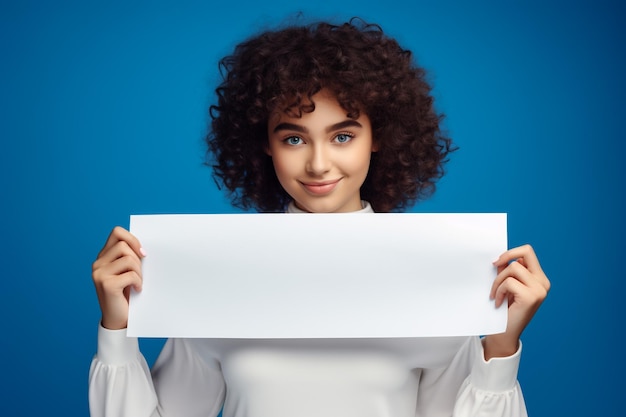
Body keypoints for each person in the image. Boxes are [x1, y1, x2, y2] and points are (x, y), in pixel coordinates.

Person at [89, 18, 550, 417]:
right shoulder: (219, 273)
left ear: (378, 136)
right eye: (293, 139)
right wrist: (116, 328)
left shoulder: (435, 272)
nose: (318, 164)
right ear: (264, 143)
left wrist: (500, 344)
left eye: (342, 136)